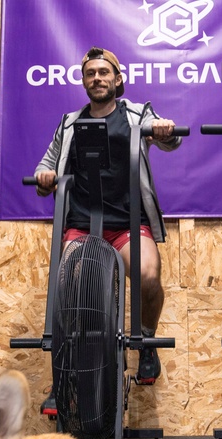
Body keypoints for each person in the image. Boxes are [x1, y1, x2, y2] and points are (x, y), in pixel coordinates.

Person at [34, 46, 181, 386]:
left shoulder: (136, 113)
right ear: (84, 81)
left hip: (128, 225)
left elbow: (170, 140)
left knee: (147, 277)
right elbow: (47, 164)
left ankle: (145, 341)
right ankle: (73, 363)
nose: (97, 78)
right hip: (81, 226)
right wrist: (44, 177)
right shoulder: (70, 123)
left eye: (104, 73)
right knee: (71, 286)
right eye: (90, 74)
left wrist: (164, 128)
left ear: (118, 79)